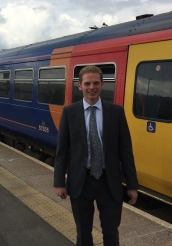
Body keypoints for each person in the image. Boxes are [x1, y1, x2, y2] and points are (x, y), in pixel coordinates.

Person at [53, 65, 138, 246]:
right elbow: (61, 151)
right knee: (83, 232)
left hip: (109, 182)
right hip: (80, 182)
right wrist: (59, 182)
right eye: (87, 83)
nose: (92, 87)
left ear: (102, 84)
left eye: (96, 83)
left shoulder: (116, 112)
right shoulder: (69, 112)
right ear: (80, 86)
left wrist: (132, 185)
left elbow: (126, 151)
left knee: (111, 231)